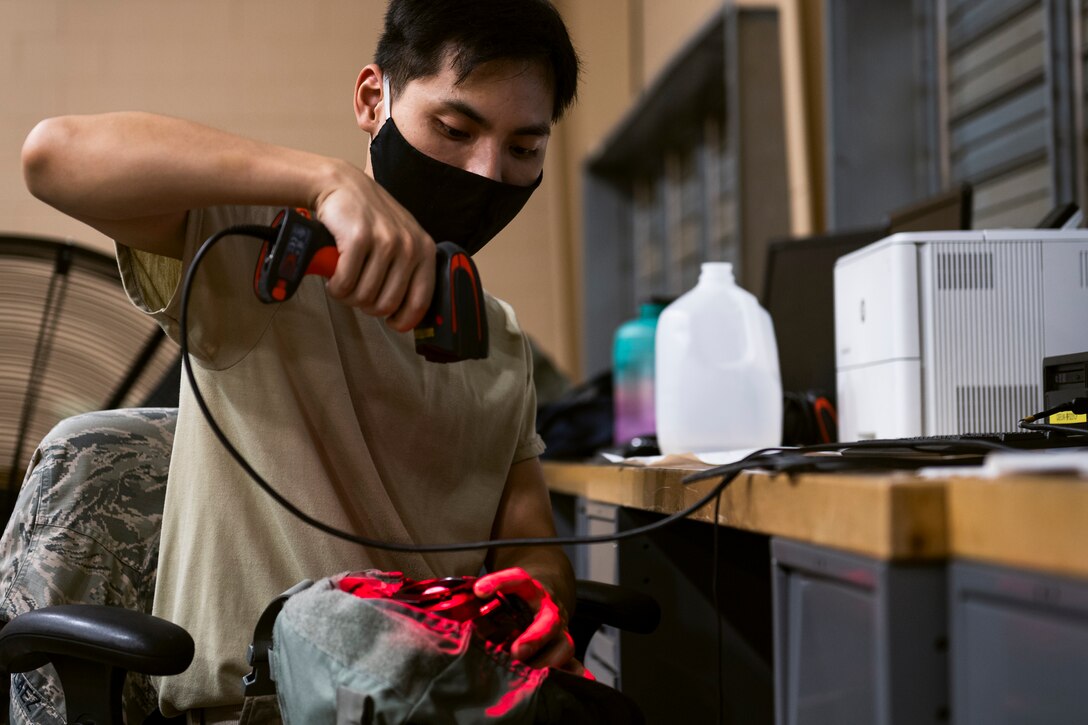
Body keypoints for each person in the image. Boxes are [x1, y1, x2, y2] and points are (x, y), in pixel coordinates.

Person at [17, 0, 582, 720]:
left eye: (524, 150)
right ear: (373, 99)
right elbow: (52, 154)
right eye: (455, 128)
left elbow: (533, 548)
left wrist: (538, 593)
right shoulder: (264, 262)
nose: (485, 169)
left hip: (430, 697)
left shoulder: (497, 340)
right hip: (269, 703)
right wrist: (323, 180)